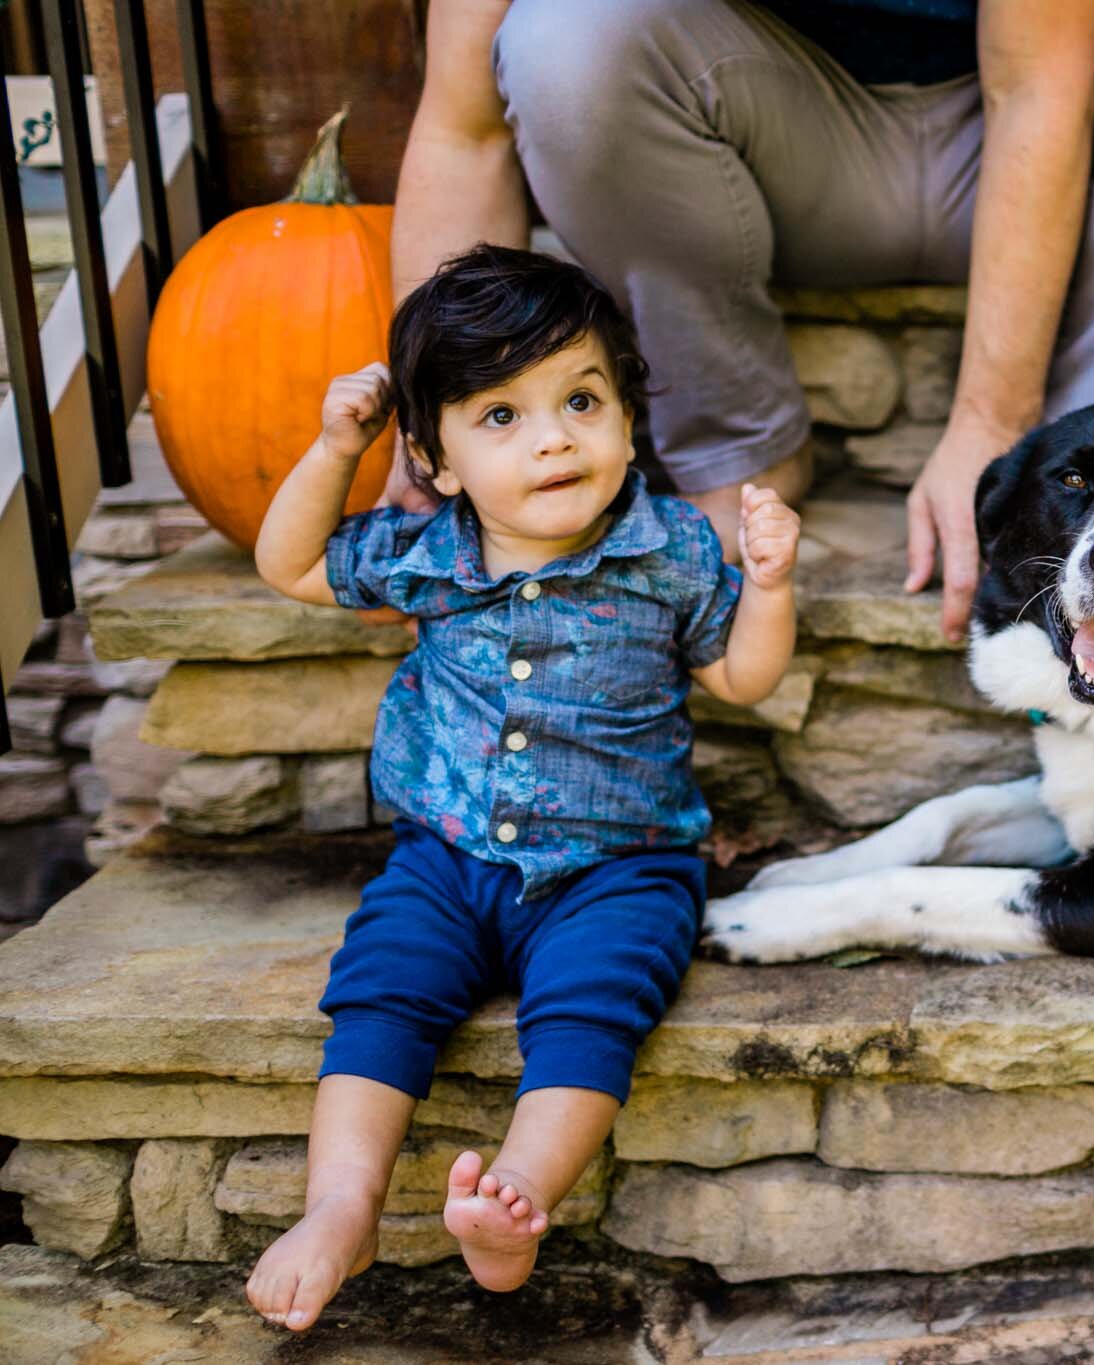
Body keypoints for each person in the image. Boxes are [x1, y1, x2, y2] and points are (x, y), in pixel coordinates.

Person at [388, 0, 1094, 638]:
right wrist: (431, 419)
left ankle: (1088, 459)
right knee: (563, 38)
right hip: (763, 140)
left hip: (1056, 128)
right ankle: (734, 457)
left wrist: (990, 425)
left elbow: (1035, 87)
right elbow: (465, 125)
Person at [243, 246, 800, 1330]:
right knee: (379, 990)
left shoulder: (671, 549)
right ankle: (341, 1207)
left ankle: (515, 1205)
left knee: (595, 1007)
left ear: (627, 419)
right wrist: (332, 448)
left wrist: (769, 586)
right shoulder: (428, 553)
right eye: (500, 416)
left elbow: (743, 674)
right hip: (445, 859)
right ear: (436, 458)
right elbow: (290, 564)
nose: (553, 437)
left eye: (580, 400)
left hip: (620, 867)